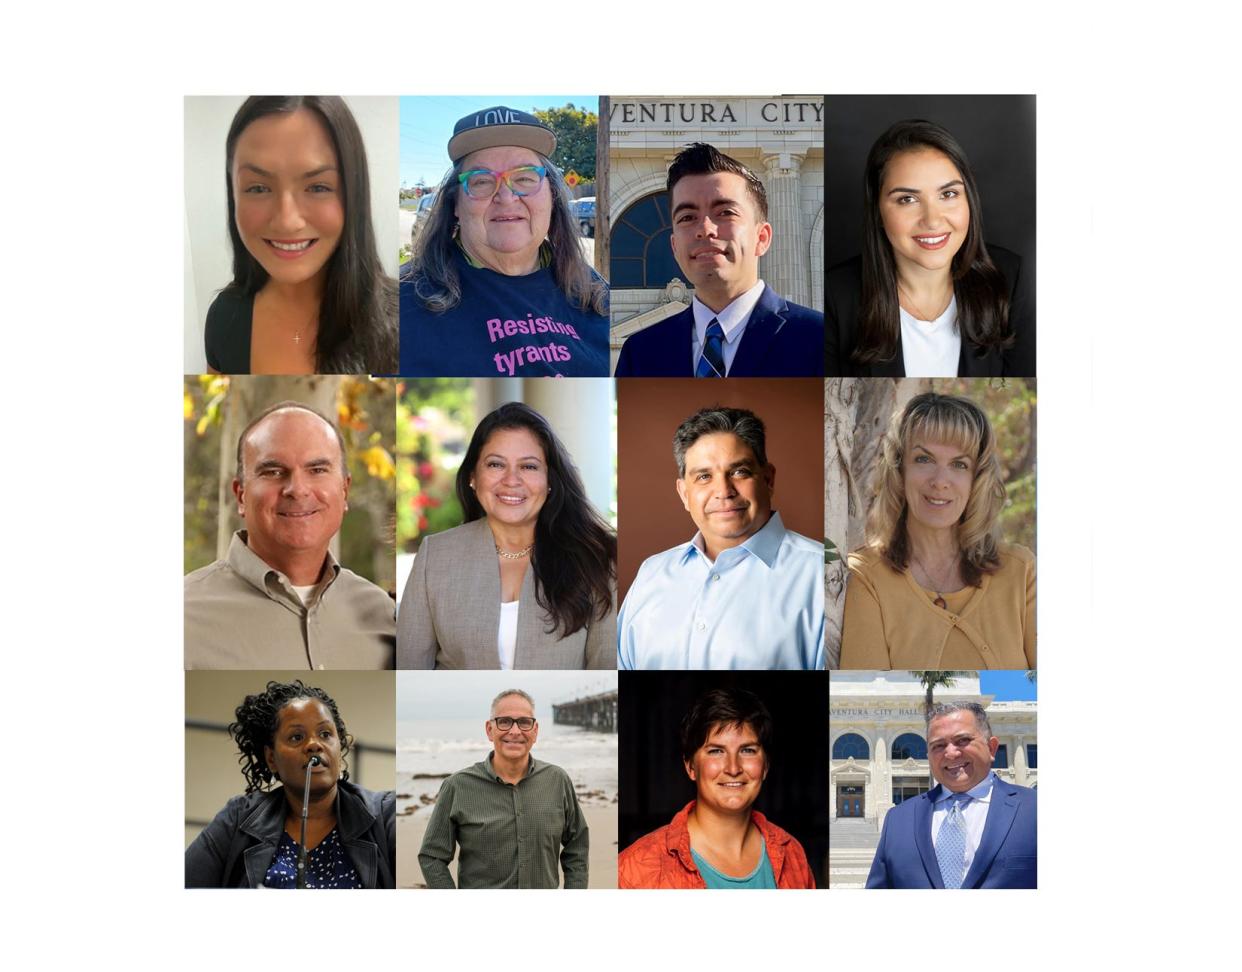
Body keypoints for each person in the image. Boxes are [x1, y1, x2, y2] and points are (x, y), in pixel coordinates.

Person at [399, 402, 615, 669]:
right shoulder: (436, 556)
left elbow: (606, 676)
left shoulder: (599, 559)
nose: (512, 480)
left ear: (550, 481)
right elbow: (409, 672)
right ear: (472, 477)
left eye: (529, 467)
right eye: (496, 464)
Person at [399, 105, 609, 376]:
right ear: (455, 204)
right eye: (482, 181)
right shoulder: (399, 307)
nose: (506, 197)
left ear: (552, 196)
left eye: (524, 178)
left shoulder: (596, 295)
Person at [185, 401, 395, 669]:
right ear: (241, 495)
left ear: (345, 490)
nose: (297, 489)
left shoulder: (384, 616)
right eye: (273, 472)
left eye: (317, 470)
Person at [839, 392, 1035, 669]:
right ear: (900, 469)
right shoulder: (866, 577)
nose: (940, 481)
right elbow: (874, 705)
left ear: (976, 480)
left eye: (959, 464)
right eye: (923, 459)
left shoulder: (1021, 570)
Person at [618, 406, 823, 669]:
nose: (723, 491)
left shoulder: (820, 573)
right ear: (684, 494)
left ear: (769, 479)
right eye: (704, 477)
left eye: (739, 472)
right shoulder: (651, 574)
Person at [205, 96, 397, 375]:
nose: (287, 221)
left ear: (353, 194)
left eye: (318, 187)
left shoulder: (407, 322)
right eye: (258, 188)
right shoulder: (225, 318)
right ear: (233, 194)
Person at [826, 119, 1033, 377]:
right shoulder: (833, 298)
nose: (932, 220)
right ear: (878, 211)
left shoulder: (1012, 279)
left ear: (969, 198)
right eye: (907, 199)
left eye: (948, 194)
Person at [613, 142, 823, 377]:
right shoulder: (640, 354)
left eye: (725, 213)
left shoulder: (819, 339)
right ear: (674, 245)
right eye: (687, 217)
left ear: (761, 237)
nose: (705, 229)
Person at [185, 680, 396, 888]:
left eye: (325, 734)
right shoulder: (238, 818)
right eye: (296, 737)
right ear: (271, 759)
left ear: (339, 747)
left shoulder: (385, 812)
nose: (314, 744)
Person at [618, 688, 814, 889]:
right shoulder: (633, 870)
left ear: (765, 766)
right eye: (716, 751)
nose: (733, 768)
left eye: (747, 750)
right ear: (691, 767)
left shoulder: (792, 853)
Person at [418, 689, 589, 888]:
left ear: (535, 731)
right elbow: (432, 857)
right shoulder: (457, 787)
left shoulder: (558, 780)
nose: (515, 731)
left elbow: (577, 845)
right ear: (490, 730)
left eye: (524, 722)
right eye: (505, 721)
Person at [865, 701, 1036, 888]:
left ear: (992, 748)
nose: (950, 753)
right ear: (928, 755)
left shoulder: (1034, 808)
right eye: (938, 746)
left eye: (963, 741)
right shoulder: (897, 819)